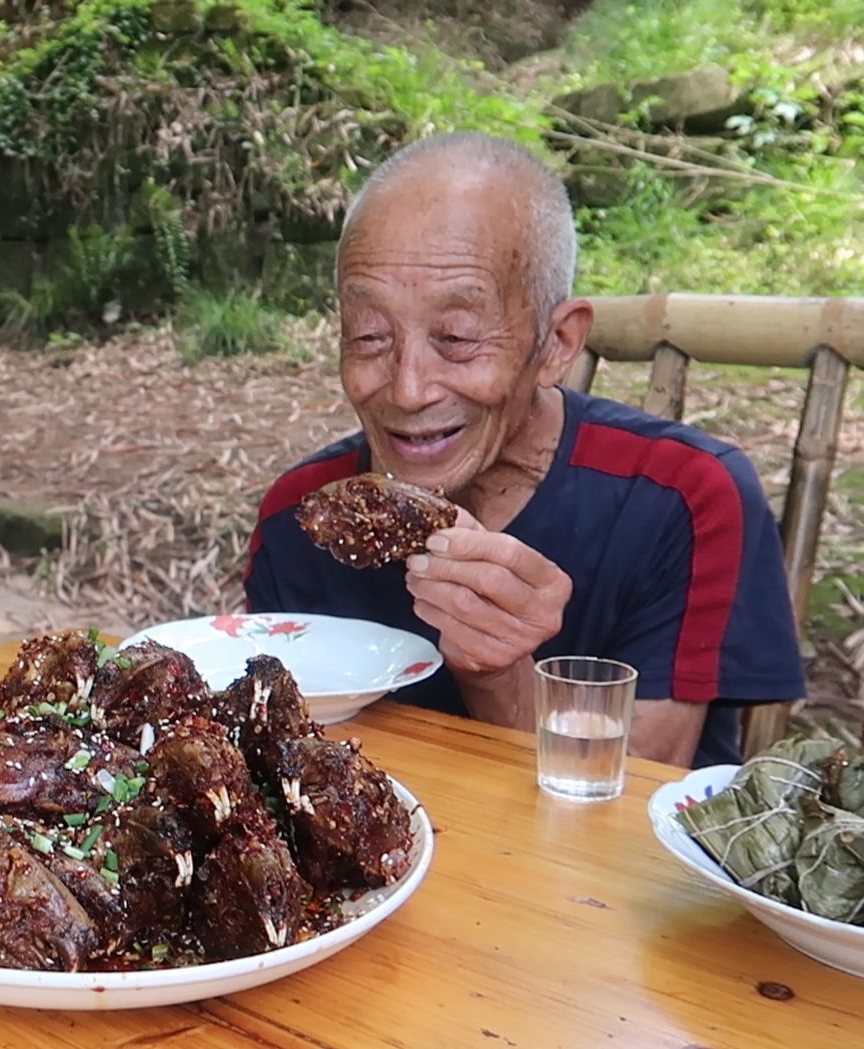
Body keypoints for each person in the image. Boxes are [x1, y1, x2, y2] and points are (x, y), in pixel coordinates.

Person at [245, 131, 805, 770]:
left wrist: (498, 671)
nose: (407, 387)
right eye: (369, 337)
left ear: (558, 343)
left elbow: (630, 805)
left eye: (456, 337)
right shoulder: (298, 518)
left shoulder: (683, 496)